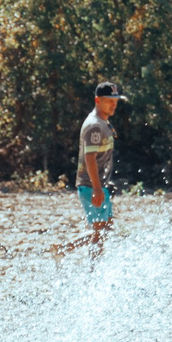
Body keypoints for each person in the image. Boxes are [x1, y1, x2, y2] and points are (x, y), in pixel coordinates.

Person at [77, 80, 123, 243]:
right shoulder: (94, 125)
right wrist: (96, 188)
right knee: (99, 232)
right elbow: (90, 158)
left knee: (106, 229)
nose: (113, 105)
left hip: (99, 186)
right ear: (98, 100)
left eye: (115, 101)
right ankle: (63, 249)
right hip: (90, 186)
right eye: (109, 101)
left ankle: (95, 265)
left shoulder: (104, 122)